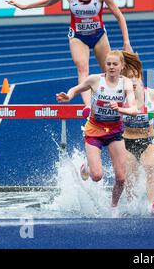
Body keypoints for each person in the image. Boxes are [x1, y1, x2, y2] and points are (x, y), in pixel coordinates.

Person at [7, 0, 132, 118]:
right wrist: (24, 6)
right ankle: (88, 106)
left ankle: (122, 102)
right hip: (78, 36)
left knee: (110, 70)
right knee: (82, 67)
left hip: (99, 35)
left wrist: (126, 42)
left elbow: (119, 16)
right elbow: (48, 1)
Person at [56, 50, 138, 217]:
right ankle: (85, 167)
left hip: (115, 131)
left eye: (115, 64)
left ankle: (114, 206)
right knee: (96, 176)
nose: (111, 67)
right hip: (94, 130)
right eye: (108, 64)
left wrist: (119, 108)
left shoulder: (126, 83)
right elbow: (77, 88)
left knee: (121, 177)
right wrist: (69, 96)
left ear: (122, 66)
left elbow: (134, 110)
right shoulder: (95, 80)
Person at [120, 50, 154, 214]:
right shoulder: (120, 97)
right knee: (129, 177)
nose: (132, 81)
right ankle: (131, 205)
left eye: (135, 77)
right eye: (128, 78)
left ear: (141, 77)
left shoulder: (152, 94)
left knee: (151, 168)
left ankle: (153, 204)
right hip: (127, 142)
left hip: (147, 141)